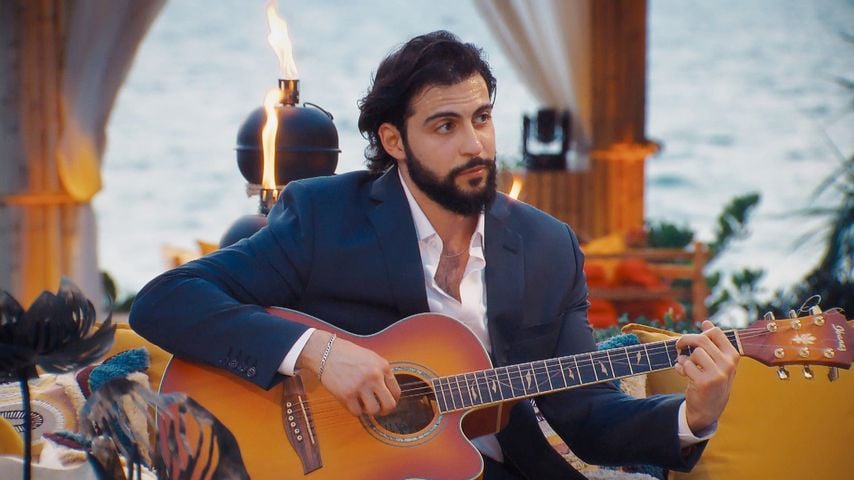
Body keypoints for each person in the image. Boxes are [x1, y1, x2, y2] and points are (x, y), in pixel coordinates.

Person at [129, 30, 739, 479]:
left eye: (482, 118)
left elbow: (585, 414)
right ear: (394, 140)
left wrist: (693, 415)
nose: (475, 145)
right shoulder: (325, 218)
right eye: (445, 126)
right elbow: (166, 301)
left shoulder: (547, 247)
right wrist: (319, 352)